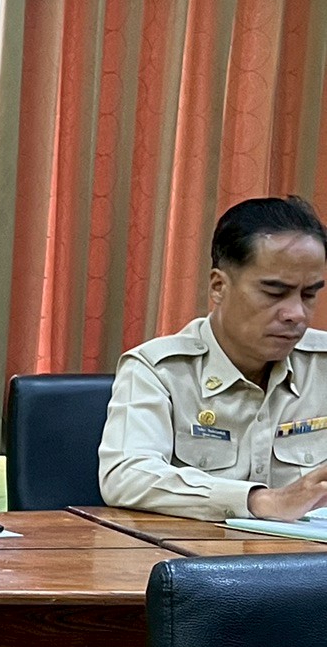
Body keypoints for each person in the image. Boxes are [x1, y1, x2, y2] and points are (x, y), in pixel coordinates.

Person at [99, 195, 327, 524]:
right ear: (219, 286)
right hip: (193, 551)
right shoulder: (160, 370)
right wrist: (259, 501)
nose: (296, 314)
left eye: (309, 295)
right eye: (274, 292)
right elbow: (126, 476)